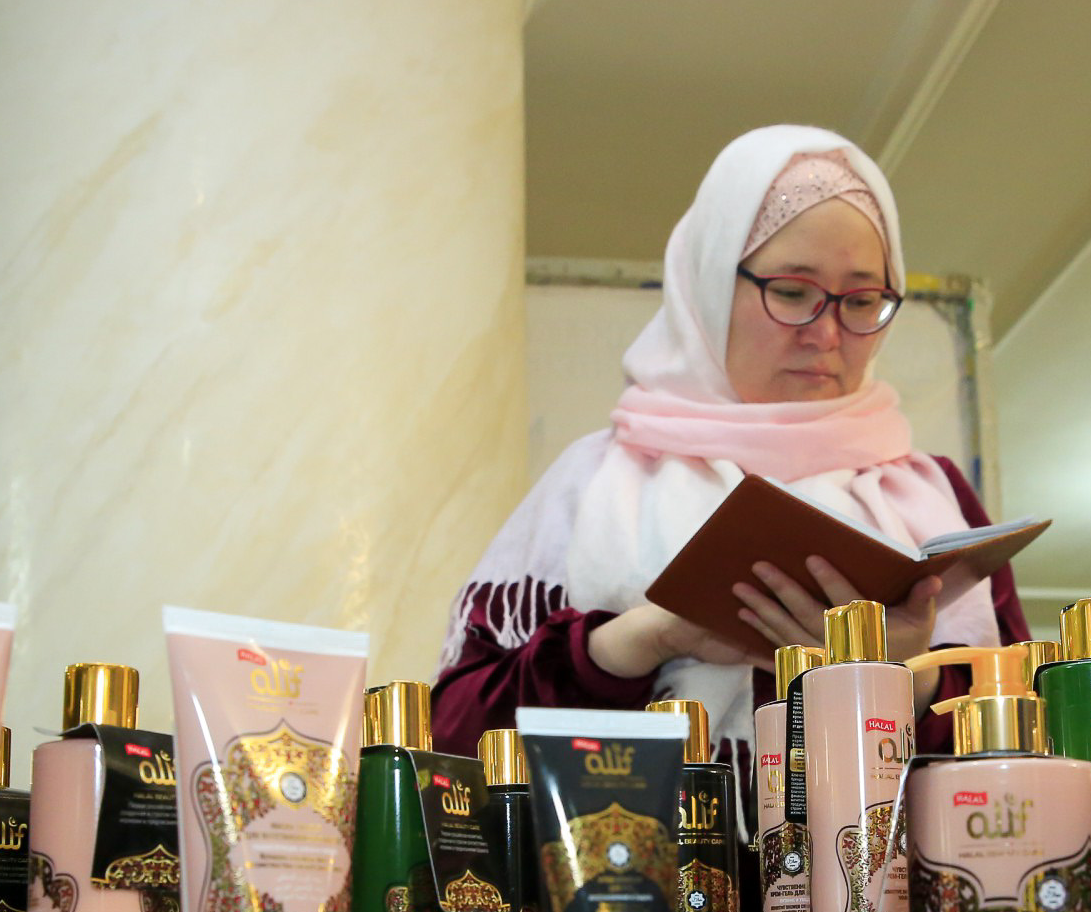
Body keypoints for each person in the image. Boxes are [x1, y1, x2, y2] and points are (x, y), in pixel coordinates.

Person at [433, 123, 1032, 794]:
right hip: (639, 857)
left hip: (874, 861)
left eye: (863, 301)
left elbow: (1029, 764)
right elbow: (454, 744)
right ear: (711, 283)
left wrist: (906, 679)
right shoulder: (594, 480)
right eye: (793, 292)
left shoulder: (933, 495)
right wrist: (640, 641)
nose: (827, 333)